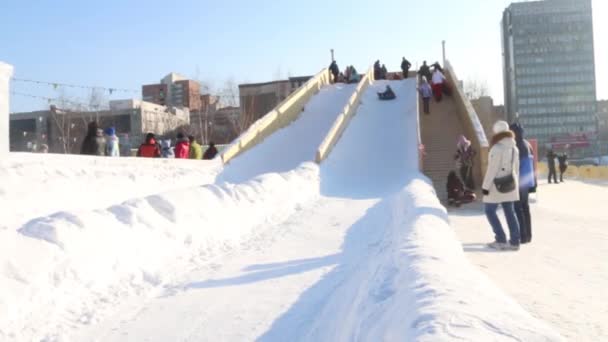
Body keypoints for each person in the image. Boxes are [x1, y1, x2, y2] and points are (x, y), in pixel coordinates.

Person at [482, 121, 521, 251]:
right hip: (510, 183)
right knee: (510, 212)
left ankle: (501, 239)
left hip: (496, 185)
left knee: (489, 210)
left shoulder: (497, 148)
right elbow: (516, 168)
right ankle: (515, 241)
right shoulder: (515, 148)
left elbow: (492, 169)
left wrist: (485, 187)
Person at [510, 123, 536, 244]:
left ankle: (523, 236)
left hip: (519, 181)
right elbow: (533, 164)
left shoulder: (516, 145)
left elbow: (514, 165)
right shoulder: (527, 144)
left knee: (518, 208)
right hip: (527, 181)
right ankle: (528, 235)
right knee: (525, 208)